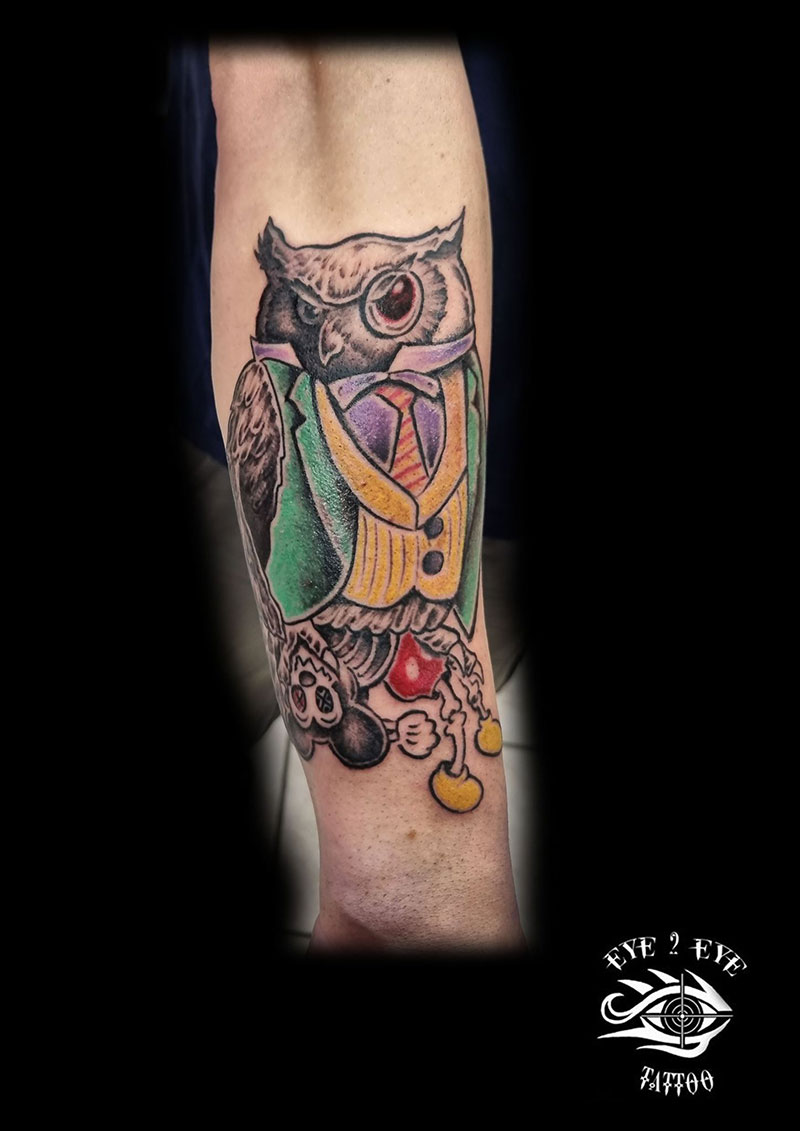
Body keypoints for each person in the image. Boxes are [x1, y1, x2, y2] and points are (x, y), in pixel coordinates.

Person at [168, 38, 530, 952]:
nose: (334, 344)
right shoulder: (291, 396)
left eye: (387, 302)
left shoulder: (449, 376)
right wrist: (414, 871)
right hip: (310, 539)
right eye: (309, 314)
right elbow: (310, 74)